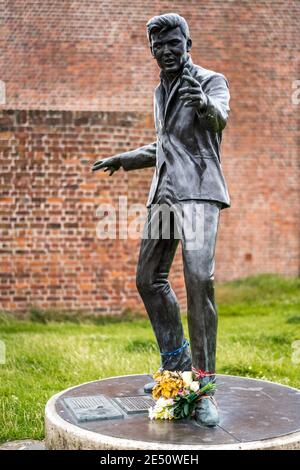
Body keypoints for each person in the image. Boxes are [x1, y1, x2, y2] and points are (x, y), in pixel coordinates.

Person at [92, 13, 230, 427]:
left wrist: (203, 104)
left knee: (199, 280)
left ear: (188, 43)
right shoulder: (159, 89)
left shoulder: (210, 80)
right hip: (164, 194)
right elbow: (166, 145)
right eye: (158, 46)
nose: (166, 52)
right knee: (148, 278)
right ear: (152, 50)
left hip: (200, 192)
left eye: (173, 44)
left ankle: (203, 387)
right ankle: (176, 367)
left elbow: (218, 117)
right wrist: (126, 158)